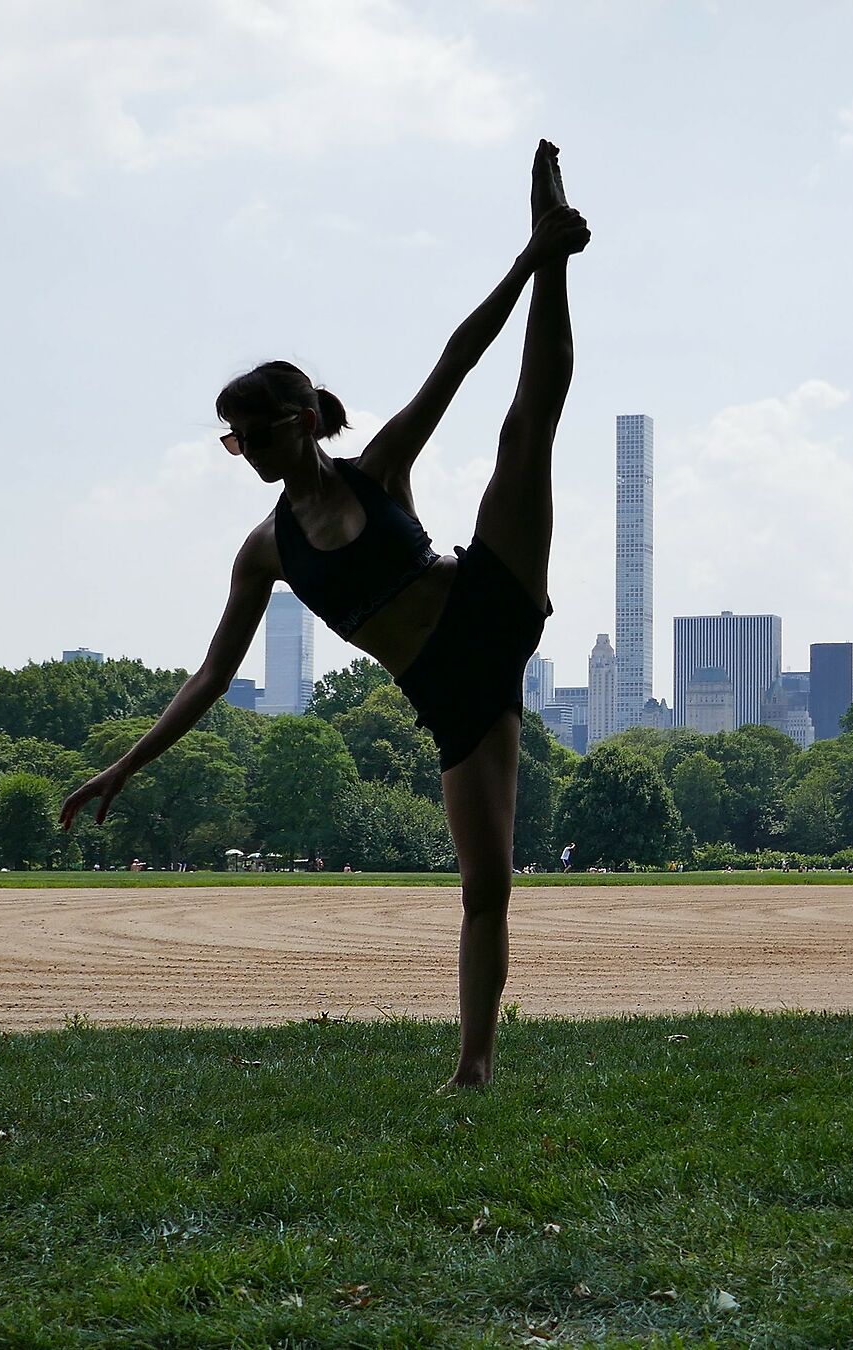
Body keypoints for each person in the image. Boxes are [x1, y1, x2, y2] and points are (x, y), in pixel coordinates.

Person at [58, 142, 591, 1093]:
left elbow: (455, 363)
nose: (248, 451)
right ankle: (473, 1070)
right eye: (234, 441)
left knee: (525, 425)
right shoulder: (266, 551)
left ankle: (554, 242)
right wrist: (121, 767)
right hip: (452, 693)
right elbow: (212, 677)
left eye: (256, 432)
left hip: (488, 600)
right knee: (487, 887)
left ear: (305, 418)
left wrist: (528, 262)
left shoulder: (377, 469)